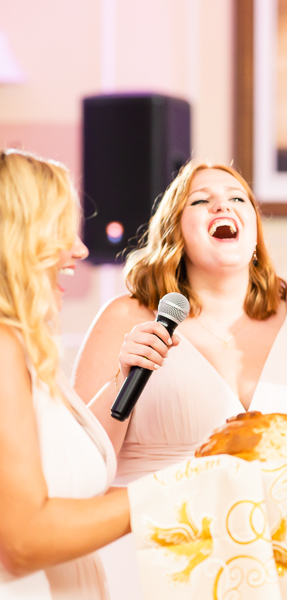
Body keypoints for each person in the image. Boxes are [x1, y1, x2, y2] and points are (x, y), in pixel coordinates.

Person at [72, 162, 287, 599]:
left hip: (277, 565)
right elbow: (85, 464)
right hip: (157, 560)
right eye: (201, 200)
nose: (222, 205)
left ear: (253, 231)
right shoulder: (127, 316)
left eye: (237, 199)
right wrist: (122, 376)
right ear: (176, 231)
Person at [0, 149, 127, 599]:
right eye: (60, 231)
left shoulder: (25, 348)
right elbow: (23, 540)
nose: (80, 249)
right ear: (17, 237)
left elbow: (71, 488)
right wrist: (168, 494)